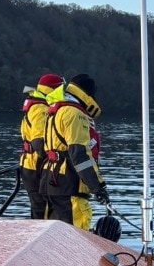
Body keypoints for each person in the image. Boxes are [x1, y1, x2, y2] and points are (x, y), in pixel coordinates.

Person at [40, 73, 110, 230]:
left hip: (51, 181)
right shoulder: (75, 113)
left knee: (52, 235)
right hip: (69, 184)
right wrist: (97, 187)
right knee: (75, 237)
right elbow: (79, 154)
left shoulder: (57, 110)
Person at [19, 73, 63, 220]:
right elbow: (39, 142)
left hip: (30, 164)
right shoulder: (41, 108)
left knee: (40, 208)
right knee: (42, 209)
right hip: (35, 167)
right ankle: (42, 241)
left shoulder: (36, 104)